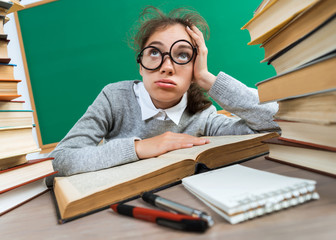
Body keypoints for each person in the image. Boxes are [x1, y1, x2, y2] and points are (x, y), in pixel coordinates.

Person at [46, 6, 279, 185]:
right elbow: (61, 159)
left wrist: (207, 78)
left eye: (183, 55)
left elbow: (276, 123)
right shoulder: (114, 98)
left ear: (194, 67)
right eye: (155, 52)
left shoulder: (203, 116)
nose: (167, 66)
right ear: (140, 64)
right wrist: (140, 148)